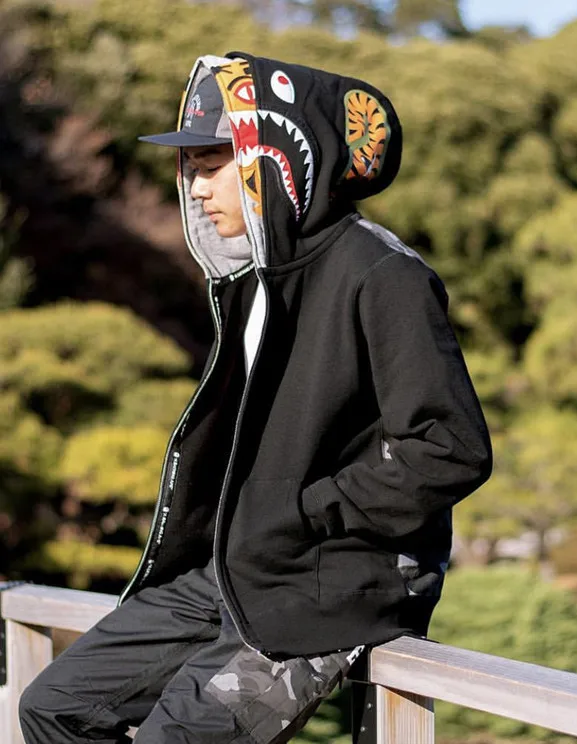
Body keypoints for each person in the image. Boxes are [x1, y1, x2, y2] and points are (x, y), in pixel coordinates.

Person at [18, 51, 492, 744]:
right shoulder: (255, 279)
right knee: (52, 706)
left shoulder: (383, 274)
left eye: (212, 165)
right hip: (235, 567)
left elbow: (449, 448)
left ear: (275, 159)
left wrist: (306, 511)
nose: (195, 188)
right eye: (190, 168)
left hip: (326, 586)